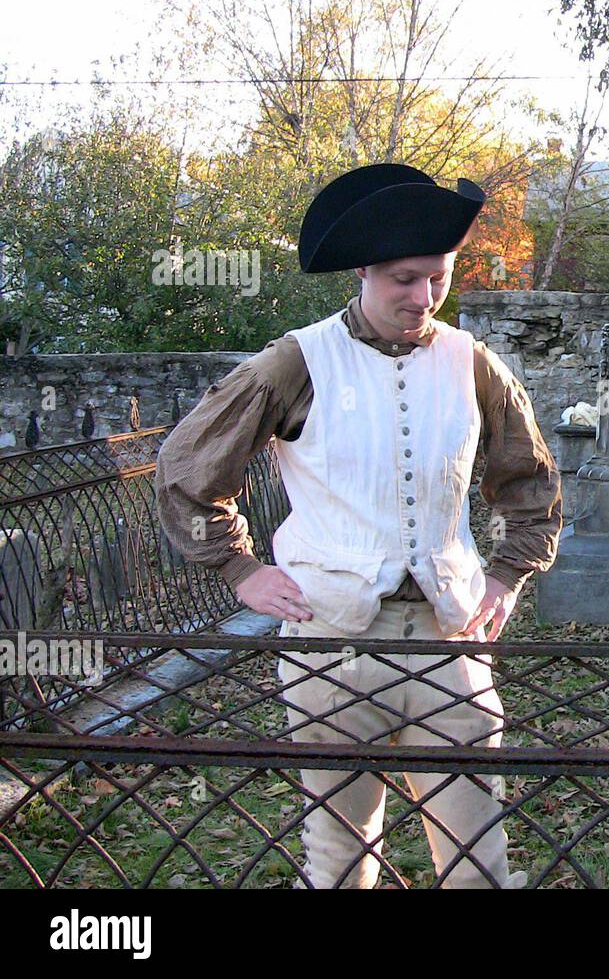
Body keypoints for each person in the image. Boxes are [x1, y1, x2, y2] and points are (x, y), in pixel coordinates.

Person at [155, 163, 561, 888]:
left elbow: (529, 480)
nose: (423, 296)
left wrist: (507, 572)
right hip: (330, 643)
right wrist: (240, 568)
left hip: (450, 638)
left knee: (478, 864)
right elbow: (187, 465)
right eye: (405, 278)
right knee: (342, 860)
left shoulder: (472, 364)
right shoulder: (298, 360)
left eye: (437, 278)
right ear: (366, 269)